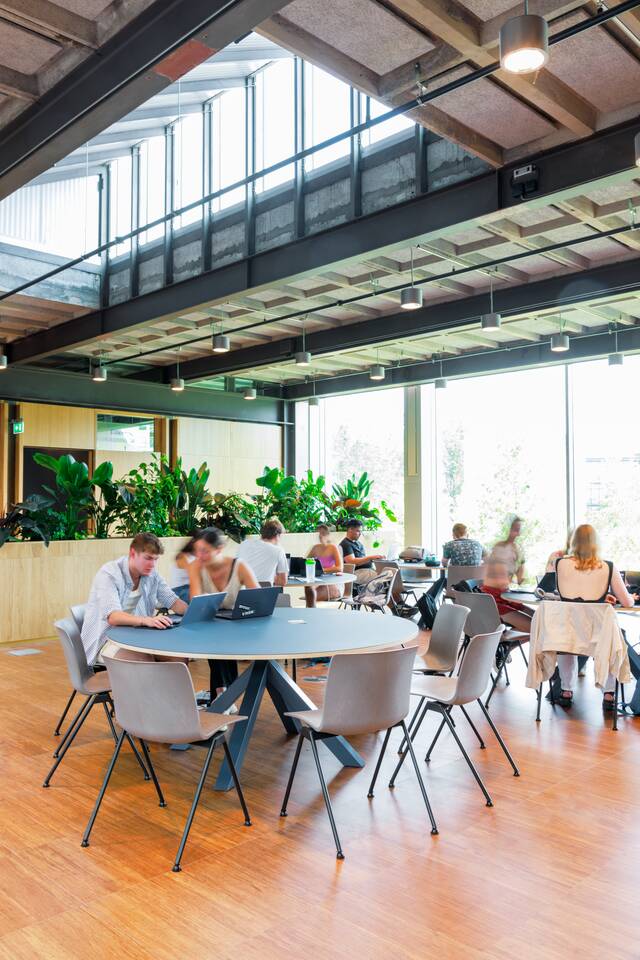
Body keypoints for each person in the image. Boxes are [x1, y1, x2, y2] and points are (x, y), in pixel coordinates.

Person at [555, 524, 636, 709]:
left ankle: (566, 691)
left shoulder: (560, 563)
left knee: (567, 645)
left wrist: (596, 598)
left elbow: (567, 596)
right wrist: (629, 597)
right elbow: (627, 602)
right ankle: (608, 695)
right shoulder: (607, 566)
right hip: (597, 635)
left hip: (569, 632)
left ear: (574, 542)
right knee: (611, 640)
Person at [81, 532, 188, 665]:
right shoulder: (109, 574)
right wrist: (146, 620)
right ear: (133, 553)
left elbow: (172, 601)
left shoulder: (151, 574)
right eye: (148, 558)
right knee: (143, 659)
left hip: (138, 637)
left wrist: (194, 611)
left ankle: (165, 686)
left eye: (156, 559)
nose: (152, 564)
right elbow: (113, 617)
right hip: (106, 641)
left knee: (178, 657)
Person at [186, 526, 259, 703]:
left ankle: (222, 696)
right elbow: (195, 599)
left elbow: (258, 598)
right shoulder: (196, 566)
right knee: (215, 638)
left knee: (219, 640)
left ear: (219, 549)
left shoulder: (239, 565)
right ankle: (223, 695)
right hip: (212, 621)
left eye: (205, 551)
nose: (199, 555)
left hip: (237, 622)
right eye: (197, 551)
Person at [481, 554, 533, 635]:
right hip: (495, 608)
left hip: (500, 604)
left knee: (538, 622)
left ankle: (502, 645)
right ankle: (500, 643)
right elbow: (504, 596)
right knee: (535, 628)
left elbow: (509, 599)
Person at [237, 518, 288, 586]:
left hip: (240, 593)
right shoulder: (278, 550)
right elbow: (282, 582)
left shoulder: (244, 544)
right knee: (284, 596)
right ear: (278, 535)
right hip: (264, 594)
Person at [304, 524, 344, 608]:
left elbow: (339, 568)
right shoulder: (315, 548)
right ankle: (310, 614)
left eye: (323, 533)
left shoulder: (333, 547)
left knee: (311, 595)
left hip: (330, 581)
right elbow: (305, 562)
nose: (321, 536)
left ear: (328, 535)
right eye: (319, 533)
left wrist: (322, 570)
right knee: (309, 589)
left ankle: (312, 613)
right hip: (318, 579)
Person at [339, 517, 384, 585]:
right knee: (384, 576)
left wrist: (376, 558)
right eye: (358, 531)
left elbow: (363, 560)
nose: (360, 533)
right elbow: (351, 561)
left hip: (366, 571)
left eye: (360, 531)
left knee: (389, 572)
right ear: (350, 530)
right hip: (356, 573)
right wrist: (370, 558)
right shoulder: (345, 544)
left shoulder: (358, 543)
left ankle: (390, 594)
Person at [491, 516, 526, 584]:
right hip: (496, 587)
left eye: (519, 531)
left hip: (507, 586)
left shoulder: (517, 548)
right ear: (509, 529)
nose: (518, 534)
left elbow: (519, 571)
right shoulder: (499, 546)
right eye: (516, 530)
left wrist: (519, 580)